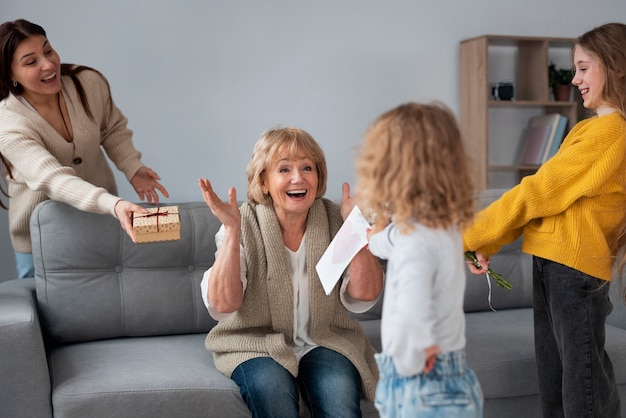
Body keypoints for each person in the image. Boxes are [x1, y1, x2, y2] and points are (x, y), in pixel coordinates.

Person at [464, 22, 626, 418]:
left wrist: (469, 235)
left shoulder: (609, 134)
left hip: (572, 270)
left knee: (580, 385)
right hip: (555, 265)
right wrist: (484, 243)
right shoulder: (590, 129)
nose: (575, 79)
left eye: (585, 68)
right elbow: (545, 200)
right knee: (557, 380)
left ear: (616, 66)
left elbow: (535, 191)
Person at [198, 126, 384, 418]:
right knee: (274, 399)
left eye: (307, 167)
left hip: (324, 340)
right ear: (263, 181)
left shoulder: (336, 219)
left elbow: (364, 295)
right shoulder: (243, 222)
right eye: (284, 169)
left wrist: (356, 228)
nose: (298, 178)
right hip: (255, 344)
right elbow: (223, 305)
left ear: (318, 177)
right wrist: (233, 231)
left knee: (340, 408)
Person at [0, 19, 169, 278]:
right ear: (10, 74)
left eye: (48, 50)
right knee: (47, 312)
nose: (48, 64)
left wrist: (132, 167)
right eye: (31, 61)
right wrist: (114, 205)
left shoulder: (86, 82)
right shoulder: (8, 123)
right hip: (41, 236)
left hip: (100, 219)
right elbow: (53, 179)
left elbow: (111, 128)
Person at [354, 101, 483, 418]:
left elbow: (413, 306)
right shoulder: (440, 228)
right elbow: (394, 240)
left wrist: (413, 357)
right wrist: (375, 239)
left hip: (421, 381)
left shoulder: (414, 243)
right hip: (451, 373)